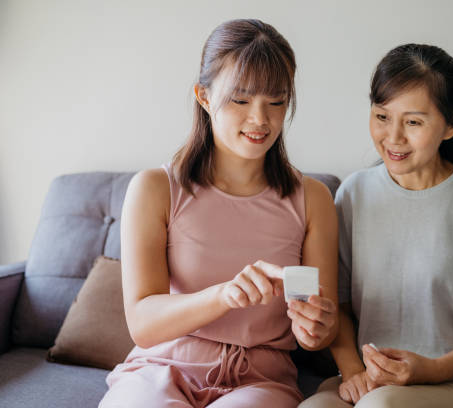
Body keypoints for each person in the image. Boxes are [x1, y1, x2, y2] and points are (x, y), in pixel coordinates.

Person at [99, 19, 338, 408]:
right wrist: (224, 295)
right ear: (204, 96)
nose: (260, 119)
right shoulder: (155, 189)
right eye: (241, 100)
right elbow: (143, 323)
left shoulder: (313, 199)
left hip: (260, 380)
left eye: (276, 101)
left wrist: (317, 329)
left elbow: (318, 329)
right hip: (160, 368)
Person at [300, 44, 453, 408]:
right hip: (374, 381)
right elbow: (336, 304)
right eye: (382, 116)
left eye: (414, 122)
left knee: (381, 406)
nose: (393, 137)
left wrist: (430, 370)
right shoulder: (353, 194)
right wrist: (354, 371)